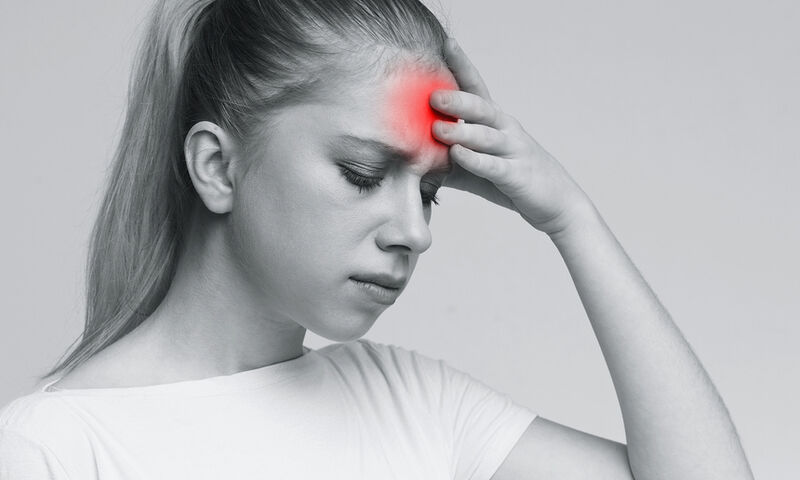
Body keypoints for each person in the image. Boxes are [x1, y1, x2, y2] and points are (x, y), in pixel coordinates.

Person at [0, 0, 754, 478]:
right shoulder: (55, 447)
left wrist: (569, 217)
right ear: (218, 167)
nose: (415, 233)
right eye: (363, 174)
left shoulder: (407, 399)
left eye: (429, 193)